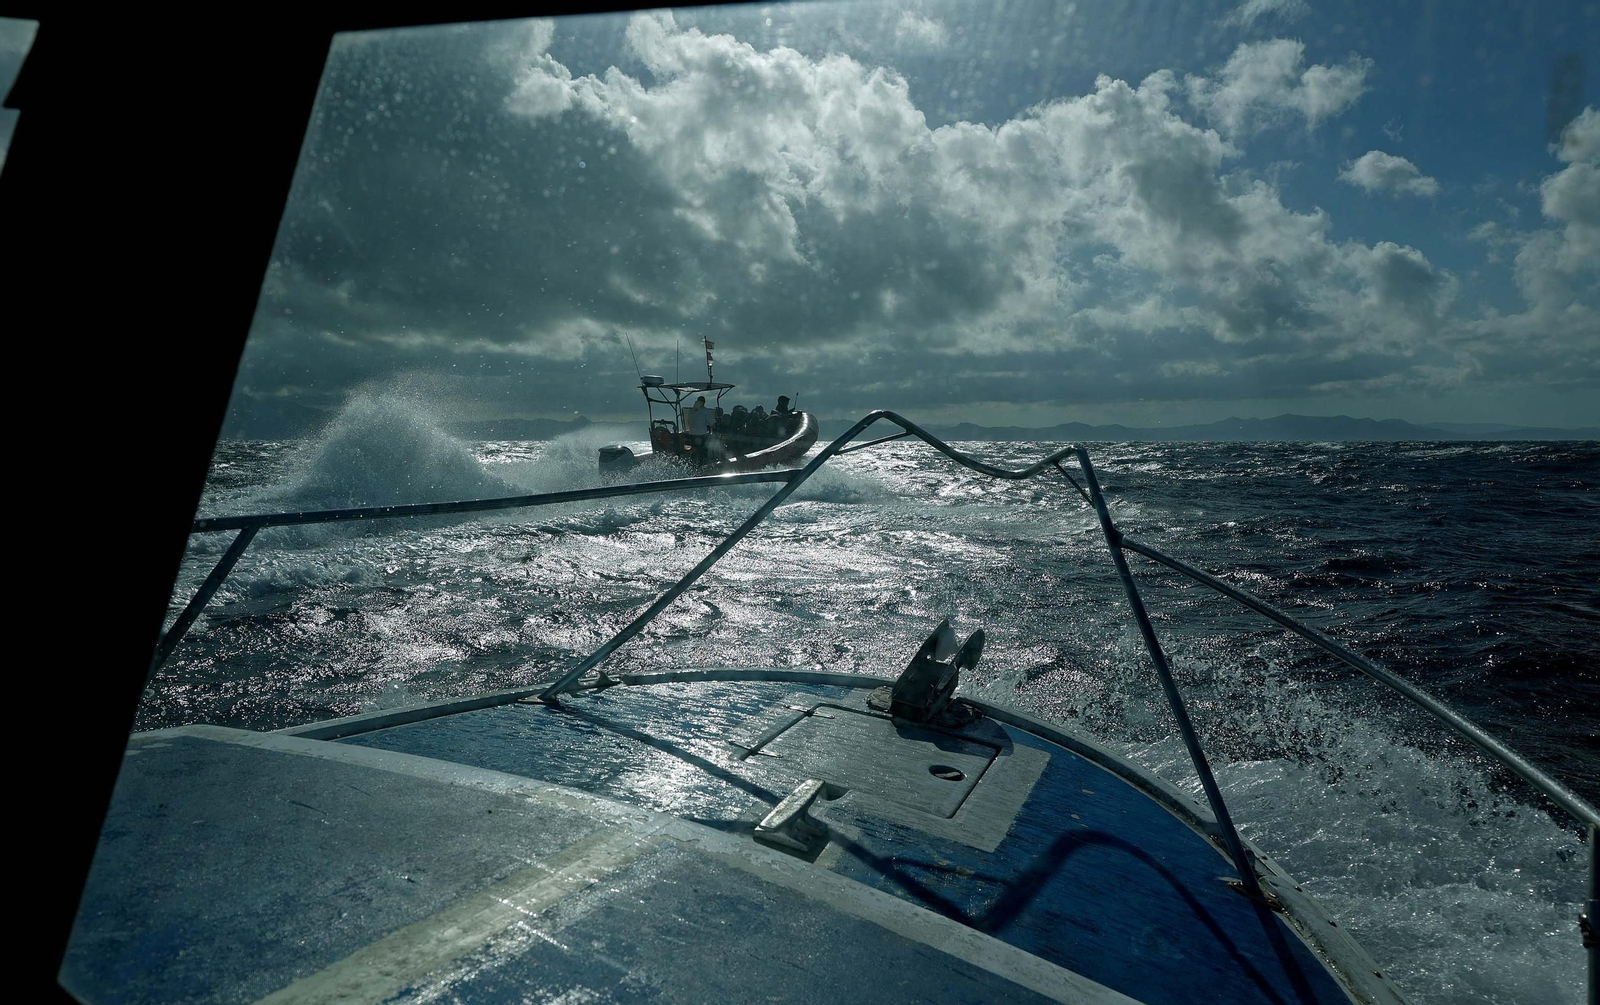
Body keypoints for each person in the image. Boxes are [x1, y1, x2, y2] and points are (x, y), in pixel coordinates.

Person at [682, 395, 713, 463]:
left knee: (695, 449)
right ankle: (705, 461)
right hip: (701, 435)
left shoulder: (691, 411)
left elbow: (689, 422)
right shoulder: (705, 411)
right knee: (705, 448)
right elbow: (711, 422)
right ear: (704, 402)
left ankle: (693, 462)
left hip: (691, 434)